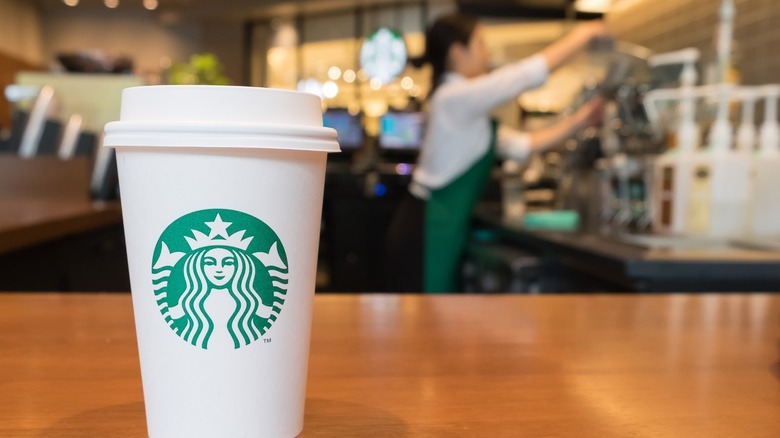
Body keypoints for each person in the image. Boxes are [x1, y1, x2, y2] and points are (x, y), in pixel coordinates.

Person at [385, 13, 610, 293]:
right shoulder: (452, 98)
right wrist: (584, 33)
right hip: (426, 230)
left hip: (442, 228)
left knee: (437, 318)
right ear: (458, 52)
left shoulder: (467, 112)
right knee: (425, 318)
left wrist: (581, 121)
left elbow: (522, 145)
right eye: (481, 44)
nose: (487, 54)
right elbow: (521, 77)